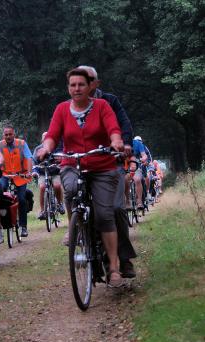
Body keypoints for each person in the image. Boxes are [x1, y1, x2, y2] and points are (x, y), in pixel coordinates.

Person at [36, 67, 125, 287]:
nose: (77, 89)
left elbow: (113, 128)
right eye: (73, 85)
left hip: (102, 165)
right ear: (68, 88)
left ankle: (113, 267)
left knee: (105, 215)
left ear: (90, 87)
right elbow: (53, 135)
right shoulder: (61, 109)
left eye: (81, 84)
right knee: (72, 189)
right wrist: (46, 148)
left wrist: (116, 142)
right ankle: (74, 224)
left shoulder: (103, 106)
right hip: (71, 164)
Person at [77, 65, 136, 278]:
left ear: (96, 82)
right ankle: (84, 243)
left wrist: (125, 144)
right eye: (78, 80)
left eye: (88, 79)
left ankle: (125, 258)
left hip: (112, 163)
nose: (82, 84)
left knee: (116, 208)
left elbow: (124, 126)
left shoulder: (110, 102)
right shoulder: (70, 106)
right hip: (83, 165)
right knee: (79, 204)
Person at [0, 125, 33, 237]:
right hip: (4, 174)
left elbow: (29, 157)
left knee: (21, 199)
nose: (8, 136)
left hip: (20, 175)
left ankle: (23, 227)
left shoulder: (22, 144)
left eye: (10, 134)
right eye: (6, 134)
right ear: (3, 135)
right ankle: (2, 223)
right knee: (0, 194)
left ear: (14, 134)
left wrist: (29, 172)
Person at [32, 132, 65, 220]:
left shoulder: (57, 147)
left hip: (55, 172)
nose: (45, 140)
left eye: (47, 138)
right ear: (42, 140)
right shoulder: (38, 149)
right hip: (43, 173)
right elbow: (33, 162)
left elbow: (63, 158)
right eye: (44, 138)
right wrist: (34, 172)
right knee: (42, 187)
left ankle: (60, 204)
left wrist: (61, 164)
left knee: (57, 185)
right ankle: (42, 211)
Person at [131, 136, 149, 209]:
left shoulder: (139, 144)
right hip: (124, 166)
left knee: (141, 179)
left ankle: (140, 200)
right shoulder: (118, 142)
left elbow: (146, 156)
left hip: (138, 166)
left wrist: (143, 160)